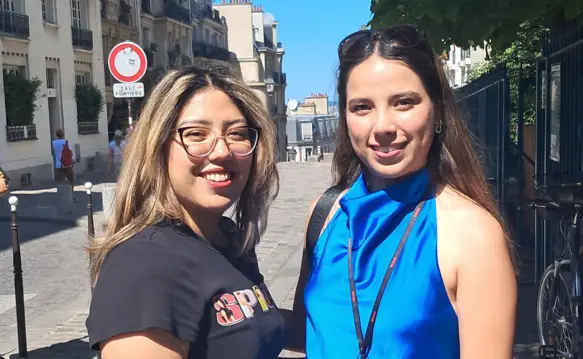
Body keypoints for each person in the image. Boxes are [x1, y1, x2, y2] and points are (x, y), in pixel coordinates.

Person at [286, 25, 518, 358]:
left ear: (437, 110)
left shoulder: (473, 235)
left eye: (404, 103)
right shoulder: (324, 214)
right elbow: (308, 333)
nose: (383, 127)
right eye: (362, 107)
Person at [86, 65, 283, 359]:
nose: (221, 151)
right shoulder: (143, 265)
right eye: (195, 134)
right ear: (157, 147)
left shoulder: (227, 238)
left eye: (238, 133)